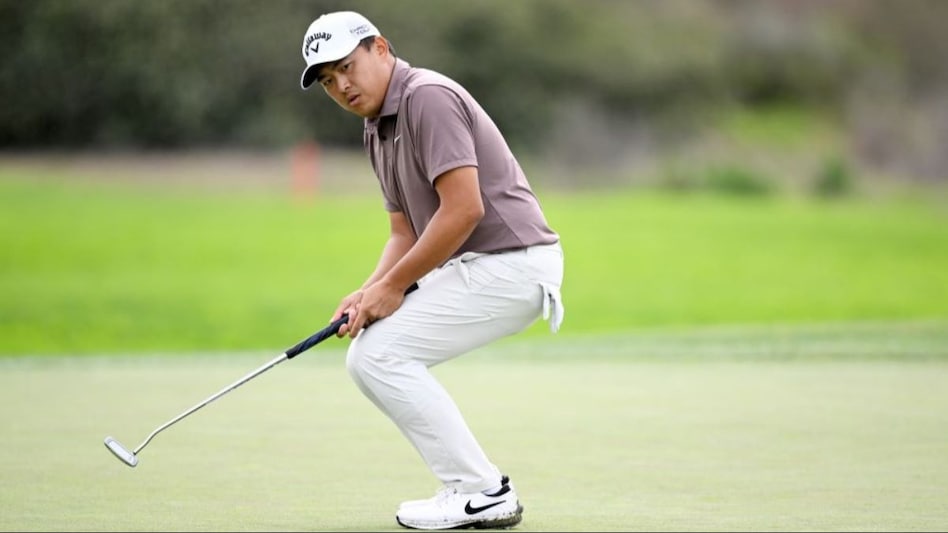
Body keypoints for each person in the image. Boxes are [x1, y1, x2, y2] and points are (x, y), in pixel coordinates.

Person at [298, 10, 565, 530]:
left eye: (347, 67)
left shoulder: (427, 97)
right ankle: (476, 488)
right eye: (328, 81)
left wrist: (393, 288)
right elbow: (404, 232)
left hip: (514, 264)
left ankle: (481, 491)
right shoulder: (377, 129)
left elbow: (464, 210)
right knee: (368, 353)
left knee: (378, 354)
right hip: (486, 265)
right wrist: (368, 292)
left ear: (380, 48)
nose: (342, 86)